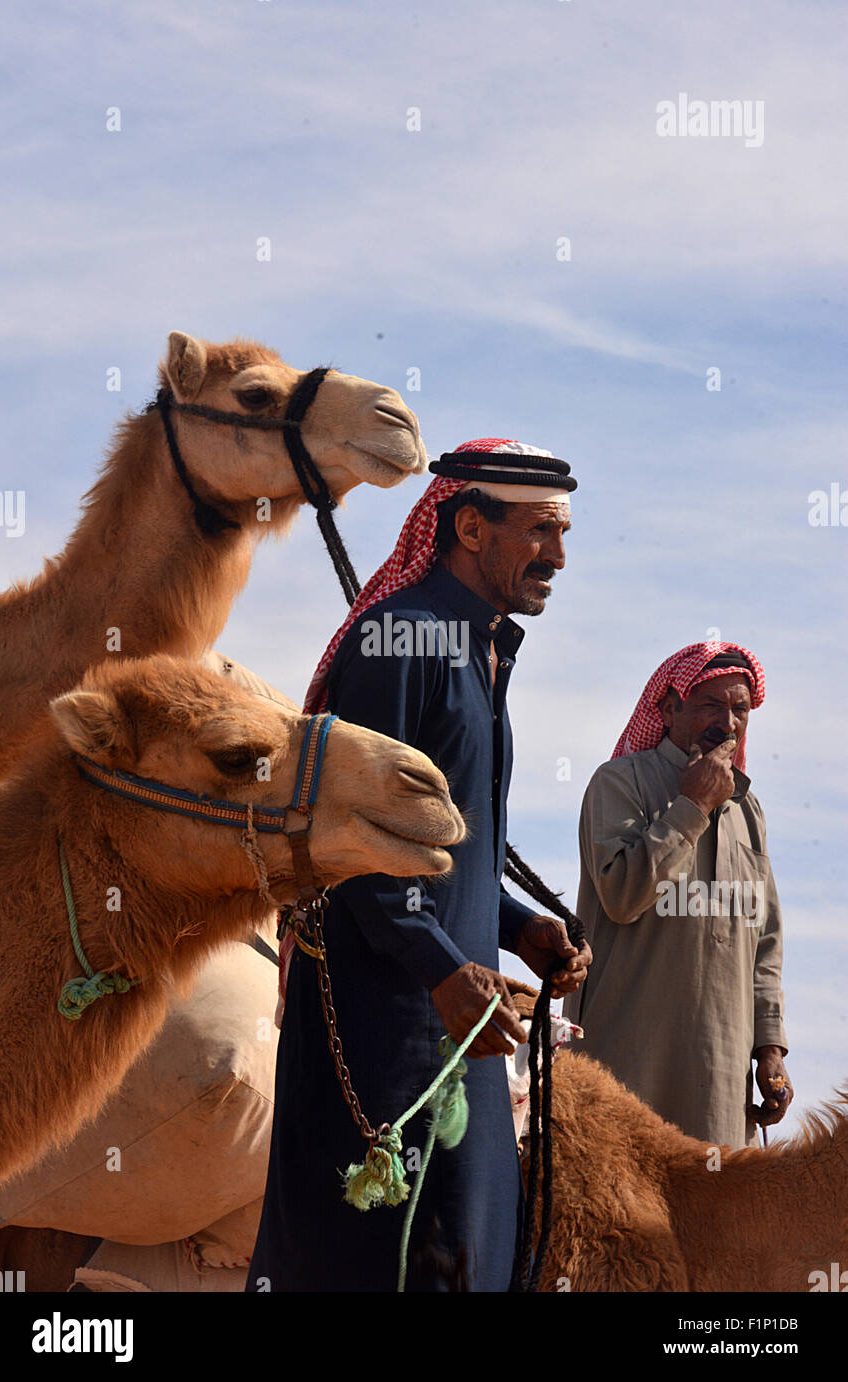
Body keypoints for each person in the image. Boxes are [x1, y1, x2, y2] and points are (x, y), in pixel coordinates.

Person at [247, 438, 591, 1293]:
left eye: (565, 533)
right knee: (379, 1266)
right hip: (380, 1029)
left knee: (466, 1262)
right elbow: (353, 841)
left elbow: (447, 852)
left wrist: (518, 927)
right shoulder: (399, 641)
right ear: (470, 528)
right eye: (541, 530)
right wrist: (443, 967)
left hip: (457, 1026)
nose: (557, 555)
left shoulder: (480, 648)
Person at [564, 642, 792, 1149]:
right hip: (625, 1068)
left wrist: (770, 1048)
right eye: (711, 705)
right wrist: (692, 805)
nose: (728, 723)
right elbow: (622, 895)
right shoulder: (620, 783)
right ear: (668, 709)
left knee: (713, 1220)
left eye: (740, 710)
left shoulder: (747, 811)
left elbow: (766, 942)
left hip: (722, 1079)